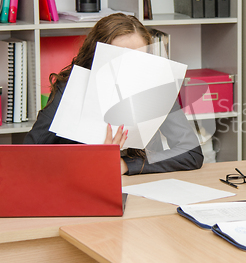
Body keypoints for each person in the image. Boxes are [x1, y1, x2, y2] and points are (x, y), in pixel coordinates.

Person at [24, 13, 204, 175]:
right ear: (96, 58)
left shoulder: (155, 87)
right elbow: (27, 155)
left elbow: (191, 153)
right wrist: (90, 159)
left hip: (142, 189)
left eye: (138, 59)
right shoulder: (71, 89)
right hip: (80, 184)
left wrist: (125, 164)